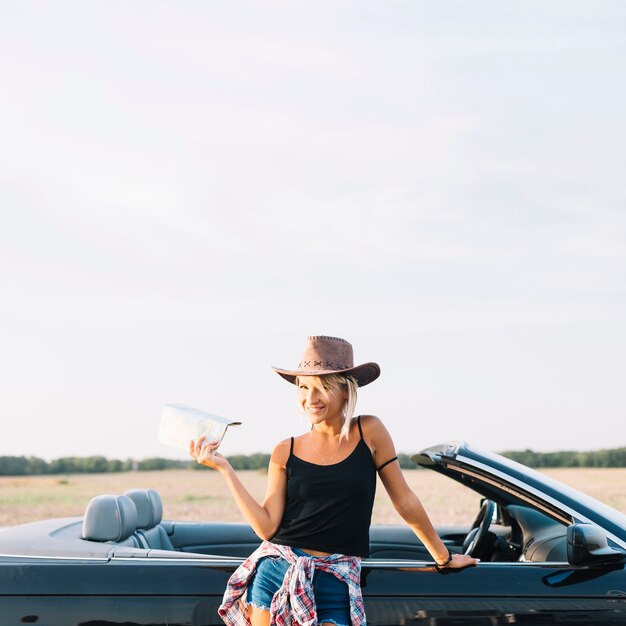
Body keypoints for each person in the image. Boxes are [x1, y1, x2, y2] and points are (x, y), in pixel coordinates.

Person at [190, 335, 478, 626]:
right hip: (277, 571)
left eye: (322, 387)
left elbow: (403, 499)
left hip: (337, 577)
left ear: (345, 390)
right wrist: (225, 469)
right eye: (303, 387)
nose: (310, 399)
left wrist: (443, 556)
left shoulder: (370, 431)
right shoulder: (284, 450)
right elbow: (266, 527)